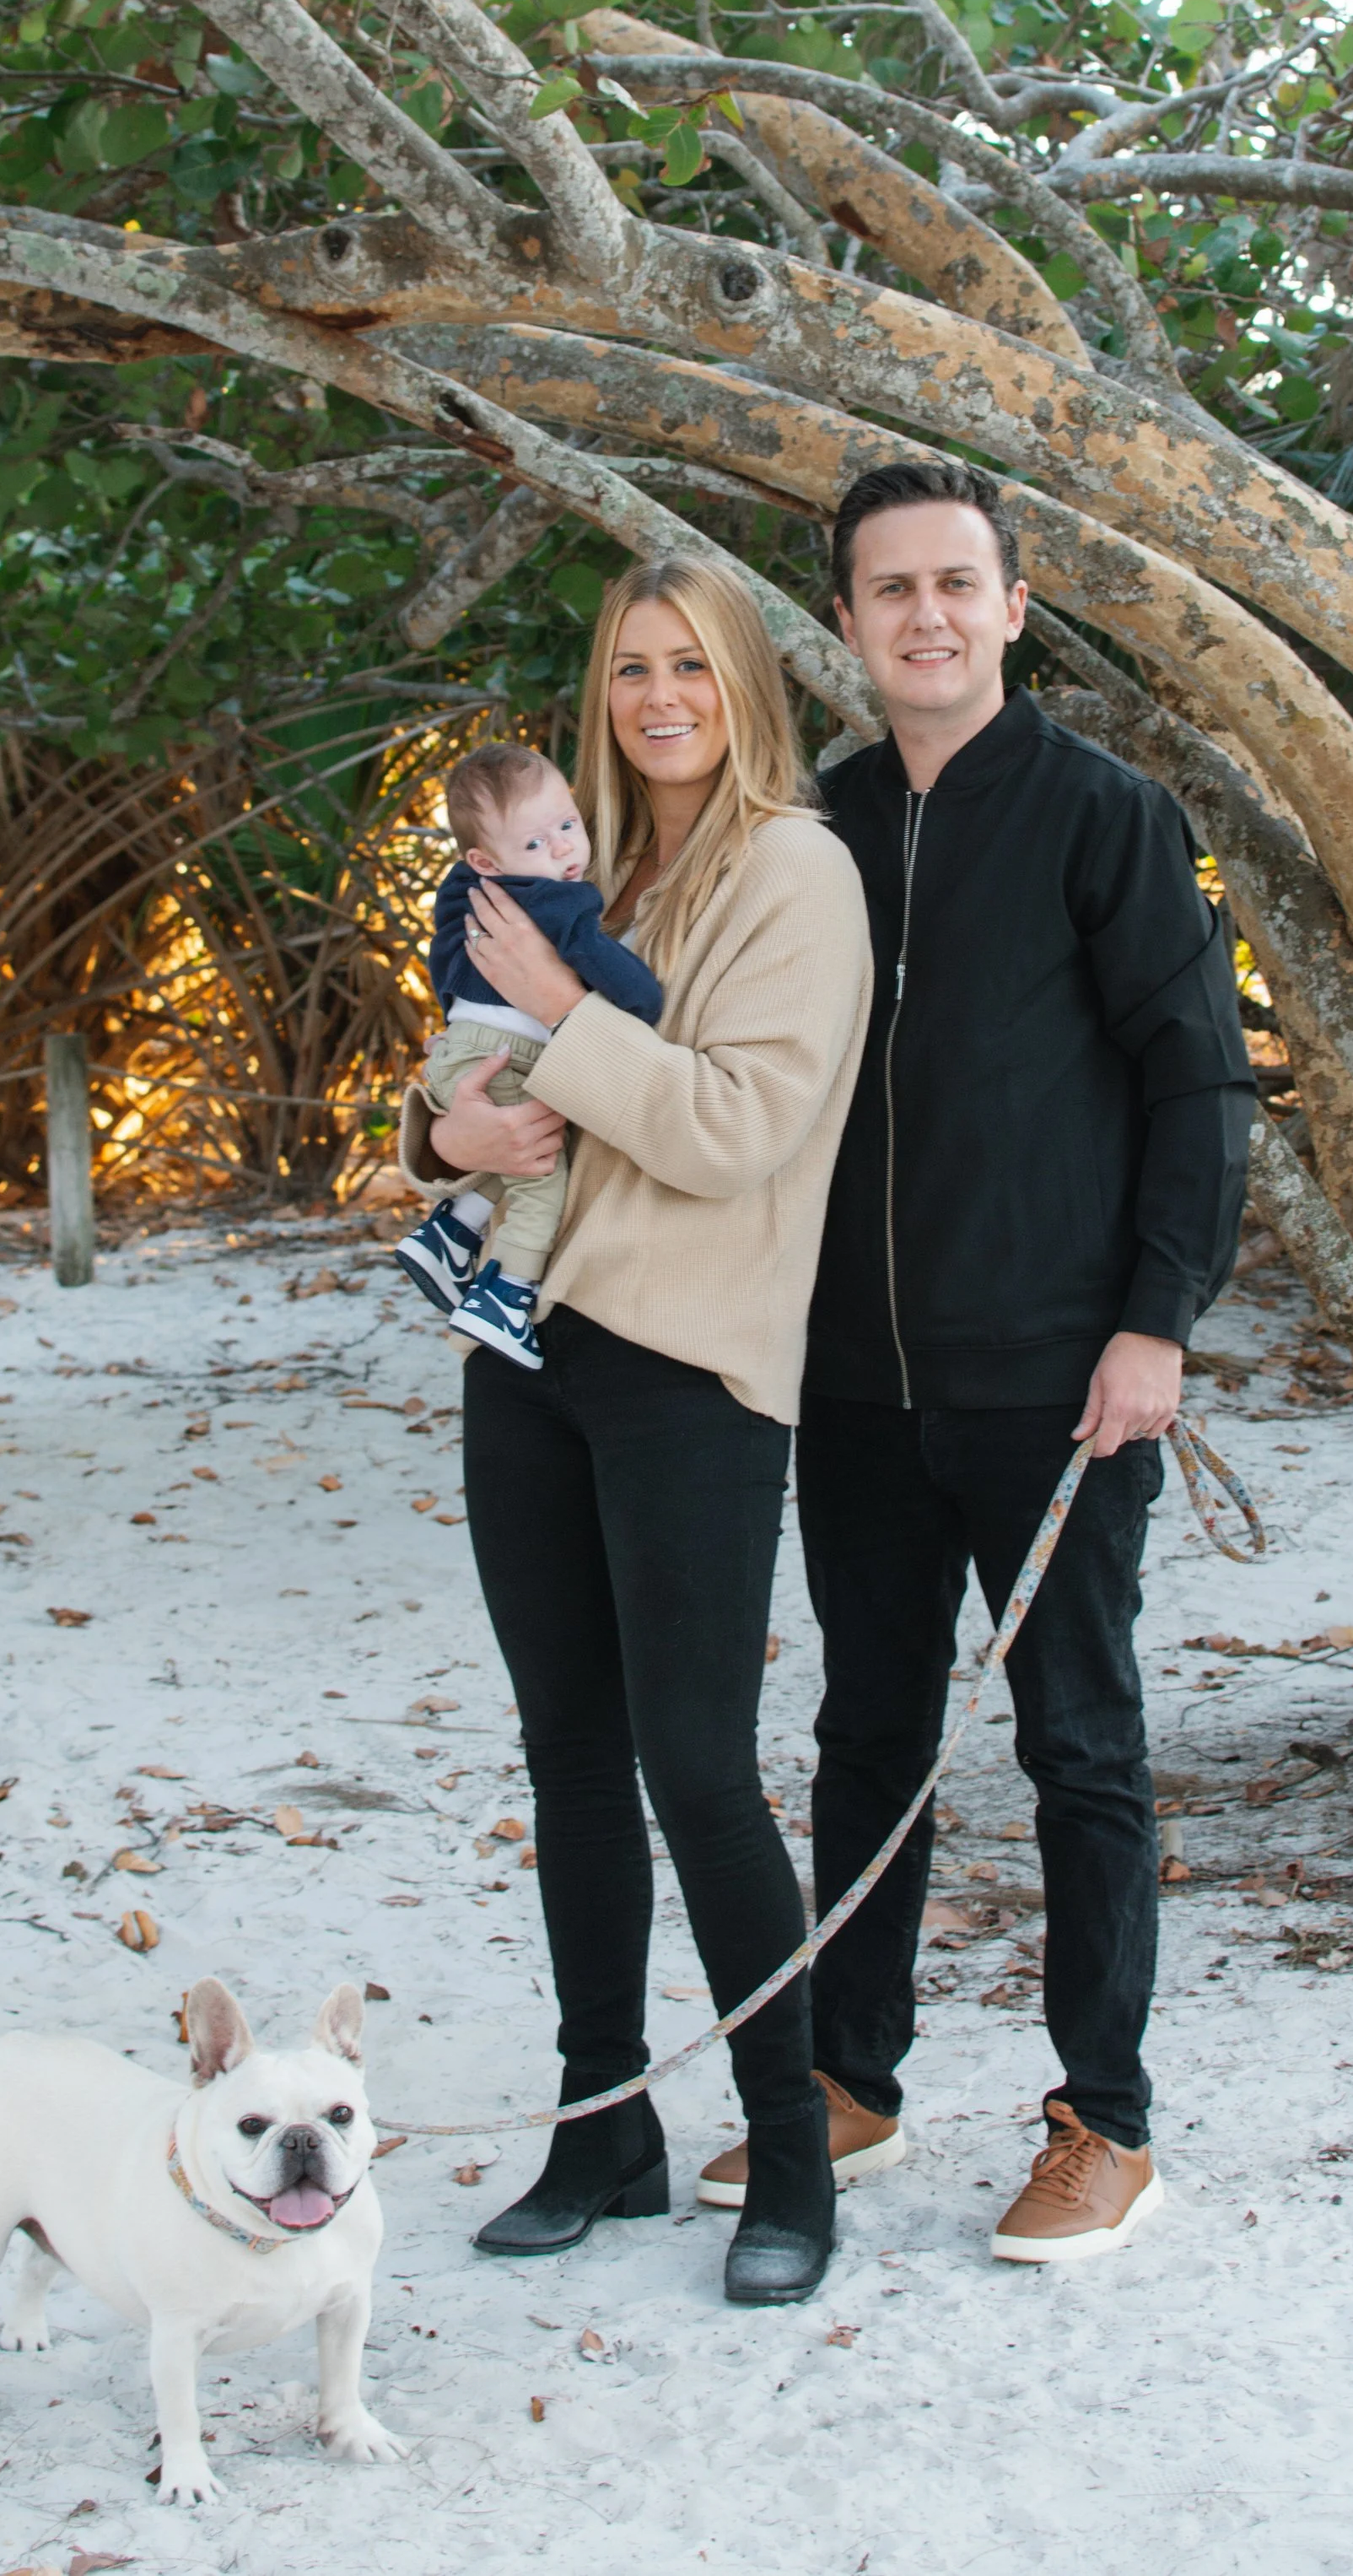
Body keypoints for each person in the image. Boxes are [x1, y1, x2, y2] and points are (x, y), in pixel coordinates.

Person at [698, 458, 1254, 2265]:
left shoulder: (1107, 819)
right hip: (854, 1384)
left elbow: (1194, 1084)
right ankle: (849, 2078)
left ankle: (1106, 2121)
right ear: (846, 621)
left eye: (958, 584)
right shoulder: (813, 829)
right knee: (867, 1734)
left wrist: (1154, 1323)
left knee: (1077, 1740)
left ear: (1011, 608)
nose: (925, 615)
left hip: (1055, 1381)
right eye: (889, 590)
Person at [415, 553, 873, 2307]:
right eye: (626, 668)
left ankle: (792, 2149)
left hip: (689, 1358)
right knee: (568, 1759)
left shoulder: (793, 871)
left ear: (742, 681)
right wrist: (441, 1143)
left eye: (688, 665)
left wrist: (558, 1017)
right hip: (526, 1353)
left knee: (695, 1764)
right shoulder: (573, 860)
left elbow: (739, 1125)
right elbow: (459, 1065)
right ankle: (600, 2130)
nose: (657, 697)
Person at [392, 741, 663, 1369]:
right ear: (487, 858)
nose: (564, 850)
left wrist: (451, 1022)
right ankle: (506, 1295)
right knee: (540, 1177)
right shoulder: (558, 902)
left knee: (509, 1146)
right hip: (508, 1051)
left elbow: (443, 955)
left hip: (463, 1044)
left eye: (567, 826)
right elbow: (620, 981)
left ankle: (449, 1233)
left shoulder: (465, 887)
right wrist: (643, 1000)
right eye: (536, 844)